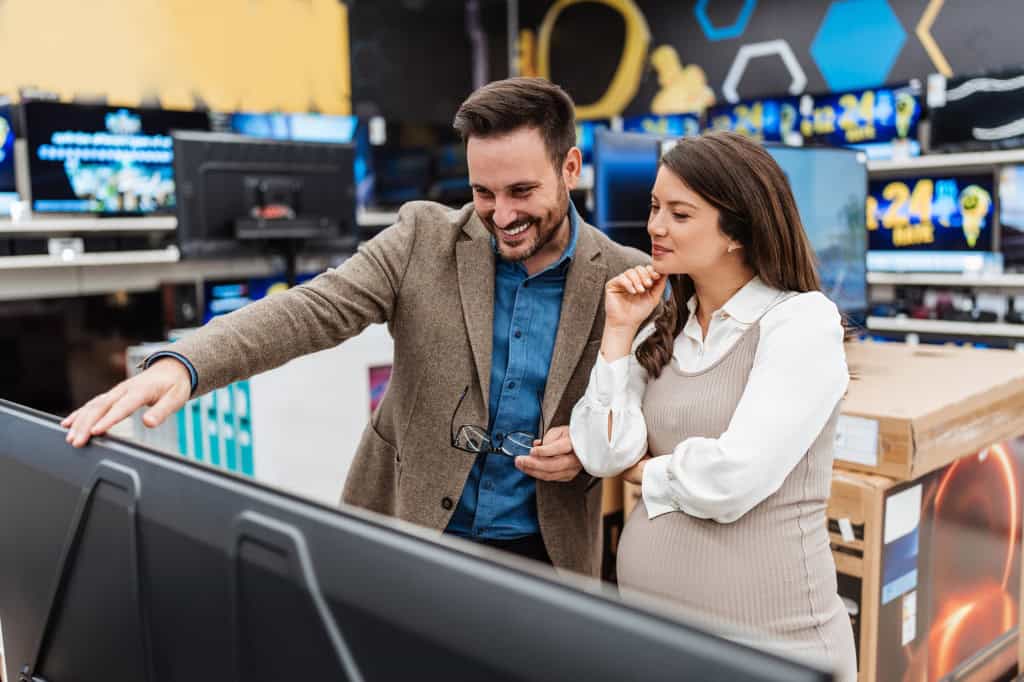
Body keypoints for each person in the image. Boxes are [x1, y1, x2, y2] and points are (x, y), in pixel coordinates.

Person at [62, 77, 648, 575]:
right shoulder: (423, 238)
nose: (502, 214)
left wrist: (592, 449)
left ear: (570, 167)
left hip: (545, 554)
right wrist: (185, 364)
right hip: (408, 534)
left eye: (522, 191)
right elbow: (312, 309)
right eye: (483, 193)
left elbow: (663, 415)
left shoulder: (626, 277)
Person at [568, 131, 857, 680]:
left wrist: (645, 470)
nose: (654, 227)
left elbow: (734, 478)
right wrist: (618, 335)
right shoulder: (662, 326)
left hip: (774, 650)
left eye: (680, 214)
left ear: (736, 231)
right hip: (659, 638)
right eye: (655, 207)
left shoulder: (800, 321)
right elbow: (605, 453)